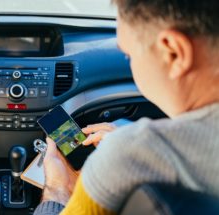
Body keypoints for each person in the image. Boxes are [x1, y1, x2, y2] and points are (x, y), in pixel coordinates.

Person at [34, 0, 219, 214]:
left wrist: (58, 190)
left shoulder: (127, 155)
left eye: (128, 54)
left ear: (174, 53)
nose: (130, 62)